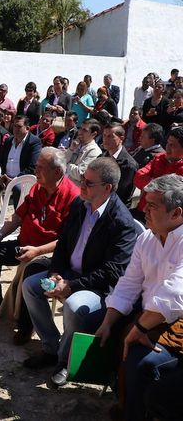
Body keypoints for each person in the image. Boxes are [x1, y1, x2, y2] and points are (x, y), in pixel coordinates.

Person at [22, 157, 137, 388]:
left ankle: (65, 360)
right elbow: (63, 244)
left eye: (89, 183)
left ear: (107, 188)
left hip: (98, 286)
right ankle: (51, 347)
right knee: (31, 286)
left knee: (74, 306)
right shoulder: (79, 205)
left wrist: (71, 285)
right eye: (83, 180)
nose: (81, 185)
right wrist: (55, 273)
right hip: (68, 274)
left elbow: (112, 272)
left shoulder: (121, 222)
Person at [95, 174, 183, 421]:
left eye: (153, 205)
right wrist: (109, 321)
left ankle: (132, 412)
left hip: (177, 325)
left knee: (139, 360)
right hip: (148, 315)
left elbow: (177, 292)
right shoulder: (146, 238)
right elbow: (129, 283)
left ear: (176, 213)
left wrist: (140, 327)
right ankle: (126, 402)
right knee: (105, 331)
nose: (143, 209)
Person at [0, 148, 80, 338]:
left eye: (40, 168)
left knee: (30, 269)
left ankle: (25, 325)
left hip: (49, 252)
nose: (35, 171)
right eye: (36, 167)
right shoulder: (38, 187)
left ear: (57, 172)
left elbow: (65, 241)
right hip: (25, 243)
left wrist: (37, 251)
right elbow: (18, 217)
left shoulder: (73, 197)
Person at [133, 127, 183, 220]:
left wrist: (150, 183)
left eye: (172, 145)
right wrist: (159, 186)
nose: (167, 147)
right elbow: (138, 177)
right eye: (167, 143)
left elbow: (170, 197)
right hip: (142, 210)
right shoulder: (159, 158)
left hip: (163, 219)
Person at [101, 123, 139, 207]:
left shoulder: (128, 165)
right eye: (104, 135)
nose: (105, 139)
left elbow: (121, 193)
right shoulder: (101, 156)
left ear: (121, 139)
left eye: (110, 136)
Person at [64, 118, 102, 186]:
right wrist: (71, 149)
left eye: (85, 130)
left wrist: (66, 165)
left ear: (93, 134)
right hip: (65, 183)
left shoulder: (94, 151)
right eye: (80, 128)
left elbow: (81, 174)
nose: (80, 132)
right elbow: (63, 160)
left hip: (76, 190)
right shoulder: (76, 144)